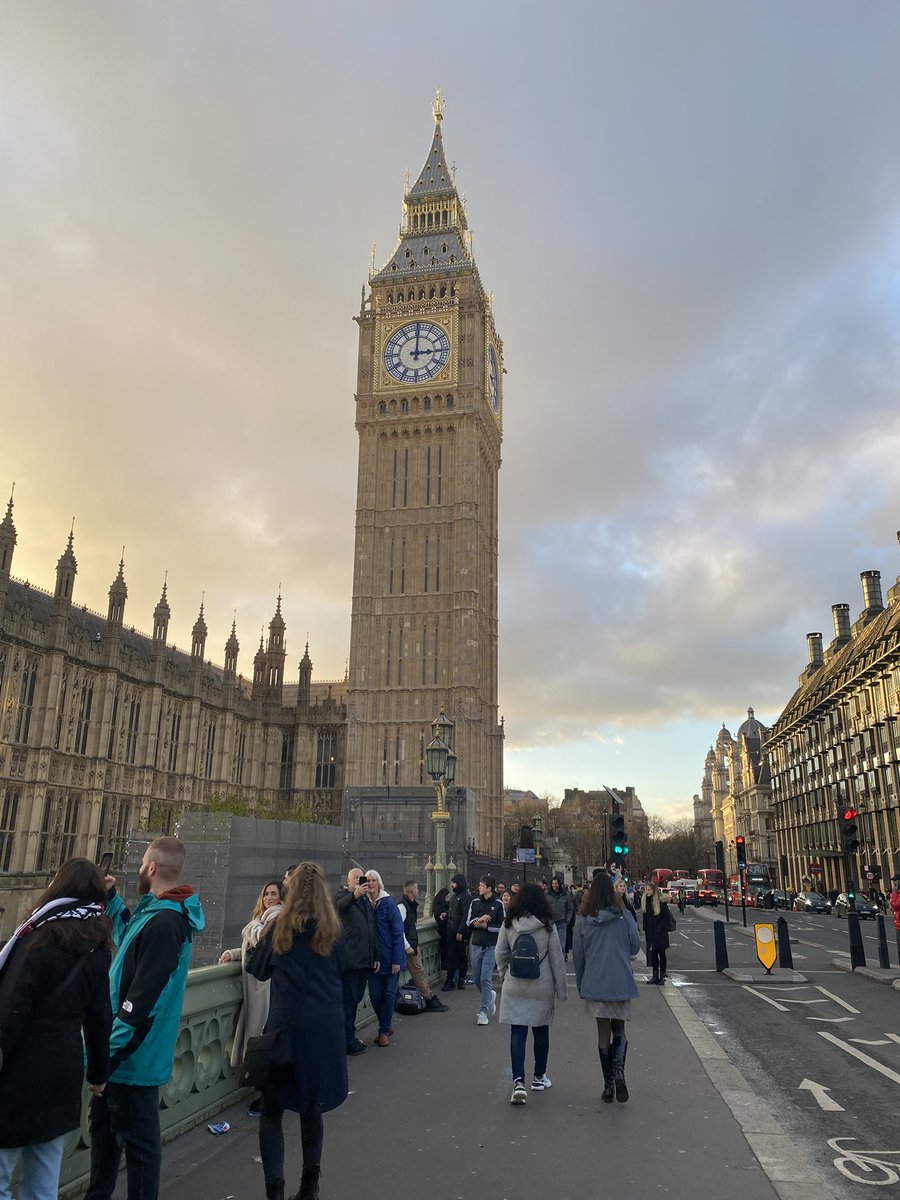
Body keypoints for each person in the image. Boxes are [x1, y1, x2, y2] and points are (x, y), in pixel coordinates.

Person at [86, 836, 204, 1200]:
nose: (138, 868)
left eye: (141, 863)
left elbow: (141, 1005)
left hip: (132, 1060)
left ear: (151, 867)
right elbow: (128, 939)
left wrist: (103, 1062)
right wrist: (111, 899)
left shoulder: (167, 922)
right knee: (105, 1141)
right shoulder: (157, 911)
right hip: (122, 1056)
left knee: (140, 1150)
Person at [0, 858, 113, 1200]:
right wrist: (98, 1072)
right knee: (43, 1181)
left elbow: (10, 1011)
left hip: (19, 1070)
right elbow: (99, 1018)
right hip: (63, 1071)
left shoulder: (36, 938)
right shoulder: (97, 948)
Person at [246, 861, 347, 1200]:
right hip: (325, 1034)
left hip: (285, 1032)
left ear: (290, 893)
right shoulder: (334, 932)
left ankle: (274, 1191)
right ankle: (309, 1189)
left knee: (272, 1111)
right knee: (312, 1108)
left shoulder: (280, 931)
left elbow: (256, 969)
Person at [495, 882, 567, 1105]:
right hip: (541, 983)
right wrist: (561, 990)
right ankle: (539, 1076)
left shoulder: (508, 924)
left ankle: (518, 1082)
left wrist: (505, 974)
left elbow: (500, 953)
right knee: (540, 1030)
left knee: (517, 1032)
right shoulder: (547, 925)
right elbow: (557, 959)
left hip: (515, 983)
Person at [573, 871, 640, 1103]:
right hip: (620, 978)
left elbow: (578, 956)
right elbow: (634, 947)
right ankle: (620, 1072)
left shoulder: (583, 918)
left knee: (603, 1033)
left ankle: (608, 1085)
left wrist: (581, 984)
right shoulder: (623, 914)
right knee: (619, 1029)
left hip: (595, 980)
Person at [219, 879, 284, 1113]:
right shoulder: (261, 919)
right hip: (254, 988)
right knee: (258, 1041)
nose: (268, 898)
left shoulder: (277, 917)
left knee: (262, 1042)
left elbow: (263, 944)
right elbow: (251, 950)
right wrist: (234, 954)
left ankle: (267, 1096)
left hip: (265, 988)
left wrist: (251, 927)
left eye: (274, 894)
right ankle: (265, 1093)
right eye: (266, 893)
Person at [333, 868, 377, 1056]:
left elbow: (370, 929)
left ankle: (349, 1037)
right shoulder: (342, 896)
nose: (360, 882)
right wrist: (355, 895)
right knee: (348, 1002)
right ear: (349, 881)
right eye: (356, 879)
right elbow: (339, 907)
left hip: (364, 960)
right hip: (350, 961)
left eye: (362, 879)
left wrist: (376, 957)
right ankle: (347, 1041)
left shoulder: (366, 900)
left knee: (355, 999)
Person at [364, 870, 404, 1046]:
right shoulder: (364, 903)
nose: (371, 883)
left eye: (374, 880)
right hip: (373, 959)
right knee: (374, 995)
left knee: (388, 995)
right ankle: (386, 1026)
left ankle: (382, 1032)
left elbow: (397, 933)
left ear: (379, 883)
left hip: (390, 958)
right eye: (368, 880)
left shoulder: (388, 904)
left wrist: (397, 960)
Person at [396, 880, 448, 1012]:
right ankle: (428, 999)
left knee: (420, 972)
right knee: (418, 973)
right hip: (409, 947)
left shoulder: (407, 905)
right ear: (412, 891)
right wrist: (407, 946)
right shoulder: (402, 907)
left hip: (413, 944)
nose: (418, 891)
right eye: (417, 889)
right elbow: (398, 929)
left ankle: (428, 997)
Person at [466, 875, 504, 1025]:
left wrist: (487, 926)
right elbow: (468, 921)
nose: (479, 888)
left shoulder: (498, 904)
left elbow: (503, 927)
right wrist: (479, 921)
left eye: (482, 886)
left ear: (489, 888)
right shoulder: (474, 902)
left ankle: (483, 1012)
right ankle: (489, 996)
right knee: (476, 978)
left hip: (491, 945)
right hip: (476, 943)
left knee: (485, 977)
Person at [443, 873, 472, 990]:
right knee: (451, 956)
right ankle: (450, 980)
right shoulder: (454, 897)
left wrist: (460, 931)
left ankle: (461, 979)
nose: (452, 885)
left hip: (460, 932)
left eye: (453, 883)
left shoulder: (466, 897)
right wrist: (445, 914)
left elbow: (465, 916)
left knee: (462, 956)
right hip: (451, 930)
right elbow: (453, 912)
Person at [641, 882, 671, 986]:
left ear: (653, 891)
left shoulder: (661, 902)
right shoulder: (645, 901)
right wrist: (645, 929)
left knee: (662, 954)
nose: (647, 891)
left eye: (649, 890)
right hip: (650, 932)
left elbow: (666, 916)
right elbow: (645, 917)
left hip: (660, 932)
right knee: (653, 955)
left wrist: (659, 928)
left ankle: (662, 976)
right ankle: (655, 975)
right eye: (646, 889)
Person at [547, 876, 574, 953]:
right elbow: (543, 907)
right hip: (550, 923)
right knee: (551, 945)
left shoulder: (566, 895)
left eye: (556, 883)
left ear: (559, 884)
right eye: (553, 883)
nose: (554, 885)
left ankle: (561, 961)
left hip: (562, 923)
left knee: (561, 945)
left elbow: (570, 909)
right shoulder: (547, 894)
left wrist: (567, 920)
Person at [431, 887, 451, 970]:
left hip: (445, 933)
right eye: (447, 897)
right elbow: (442, 921)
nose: (449, 899)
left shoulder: (444, 907)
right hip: (444, 933)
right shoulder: (440, 908)